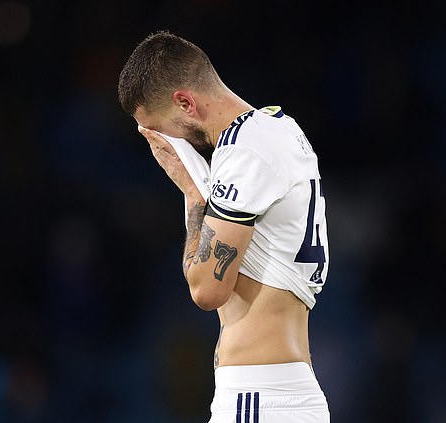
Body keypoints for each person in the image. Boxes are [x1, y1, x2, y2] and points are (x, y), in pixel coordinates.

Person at [118, 30, 330, 423]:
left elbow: (206, 289)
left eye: (158, 129)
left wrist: (193, 195)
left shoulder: (244, 149)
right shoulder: (279, 129)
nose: (162, 145)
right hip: (278, 392)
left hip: (259, 397)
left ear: (184, 101)